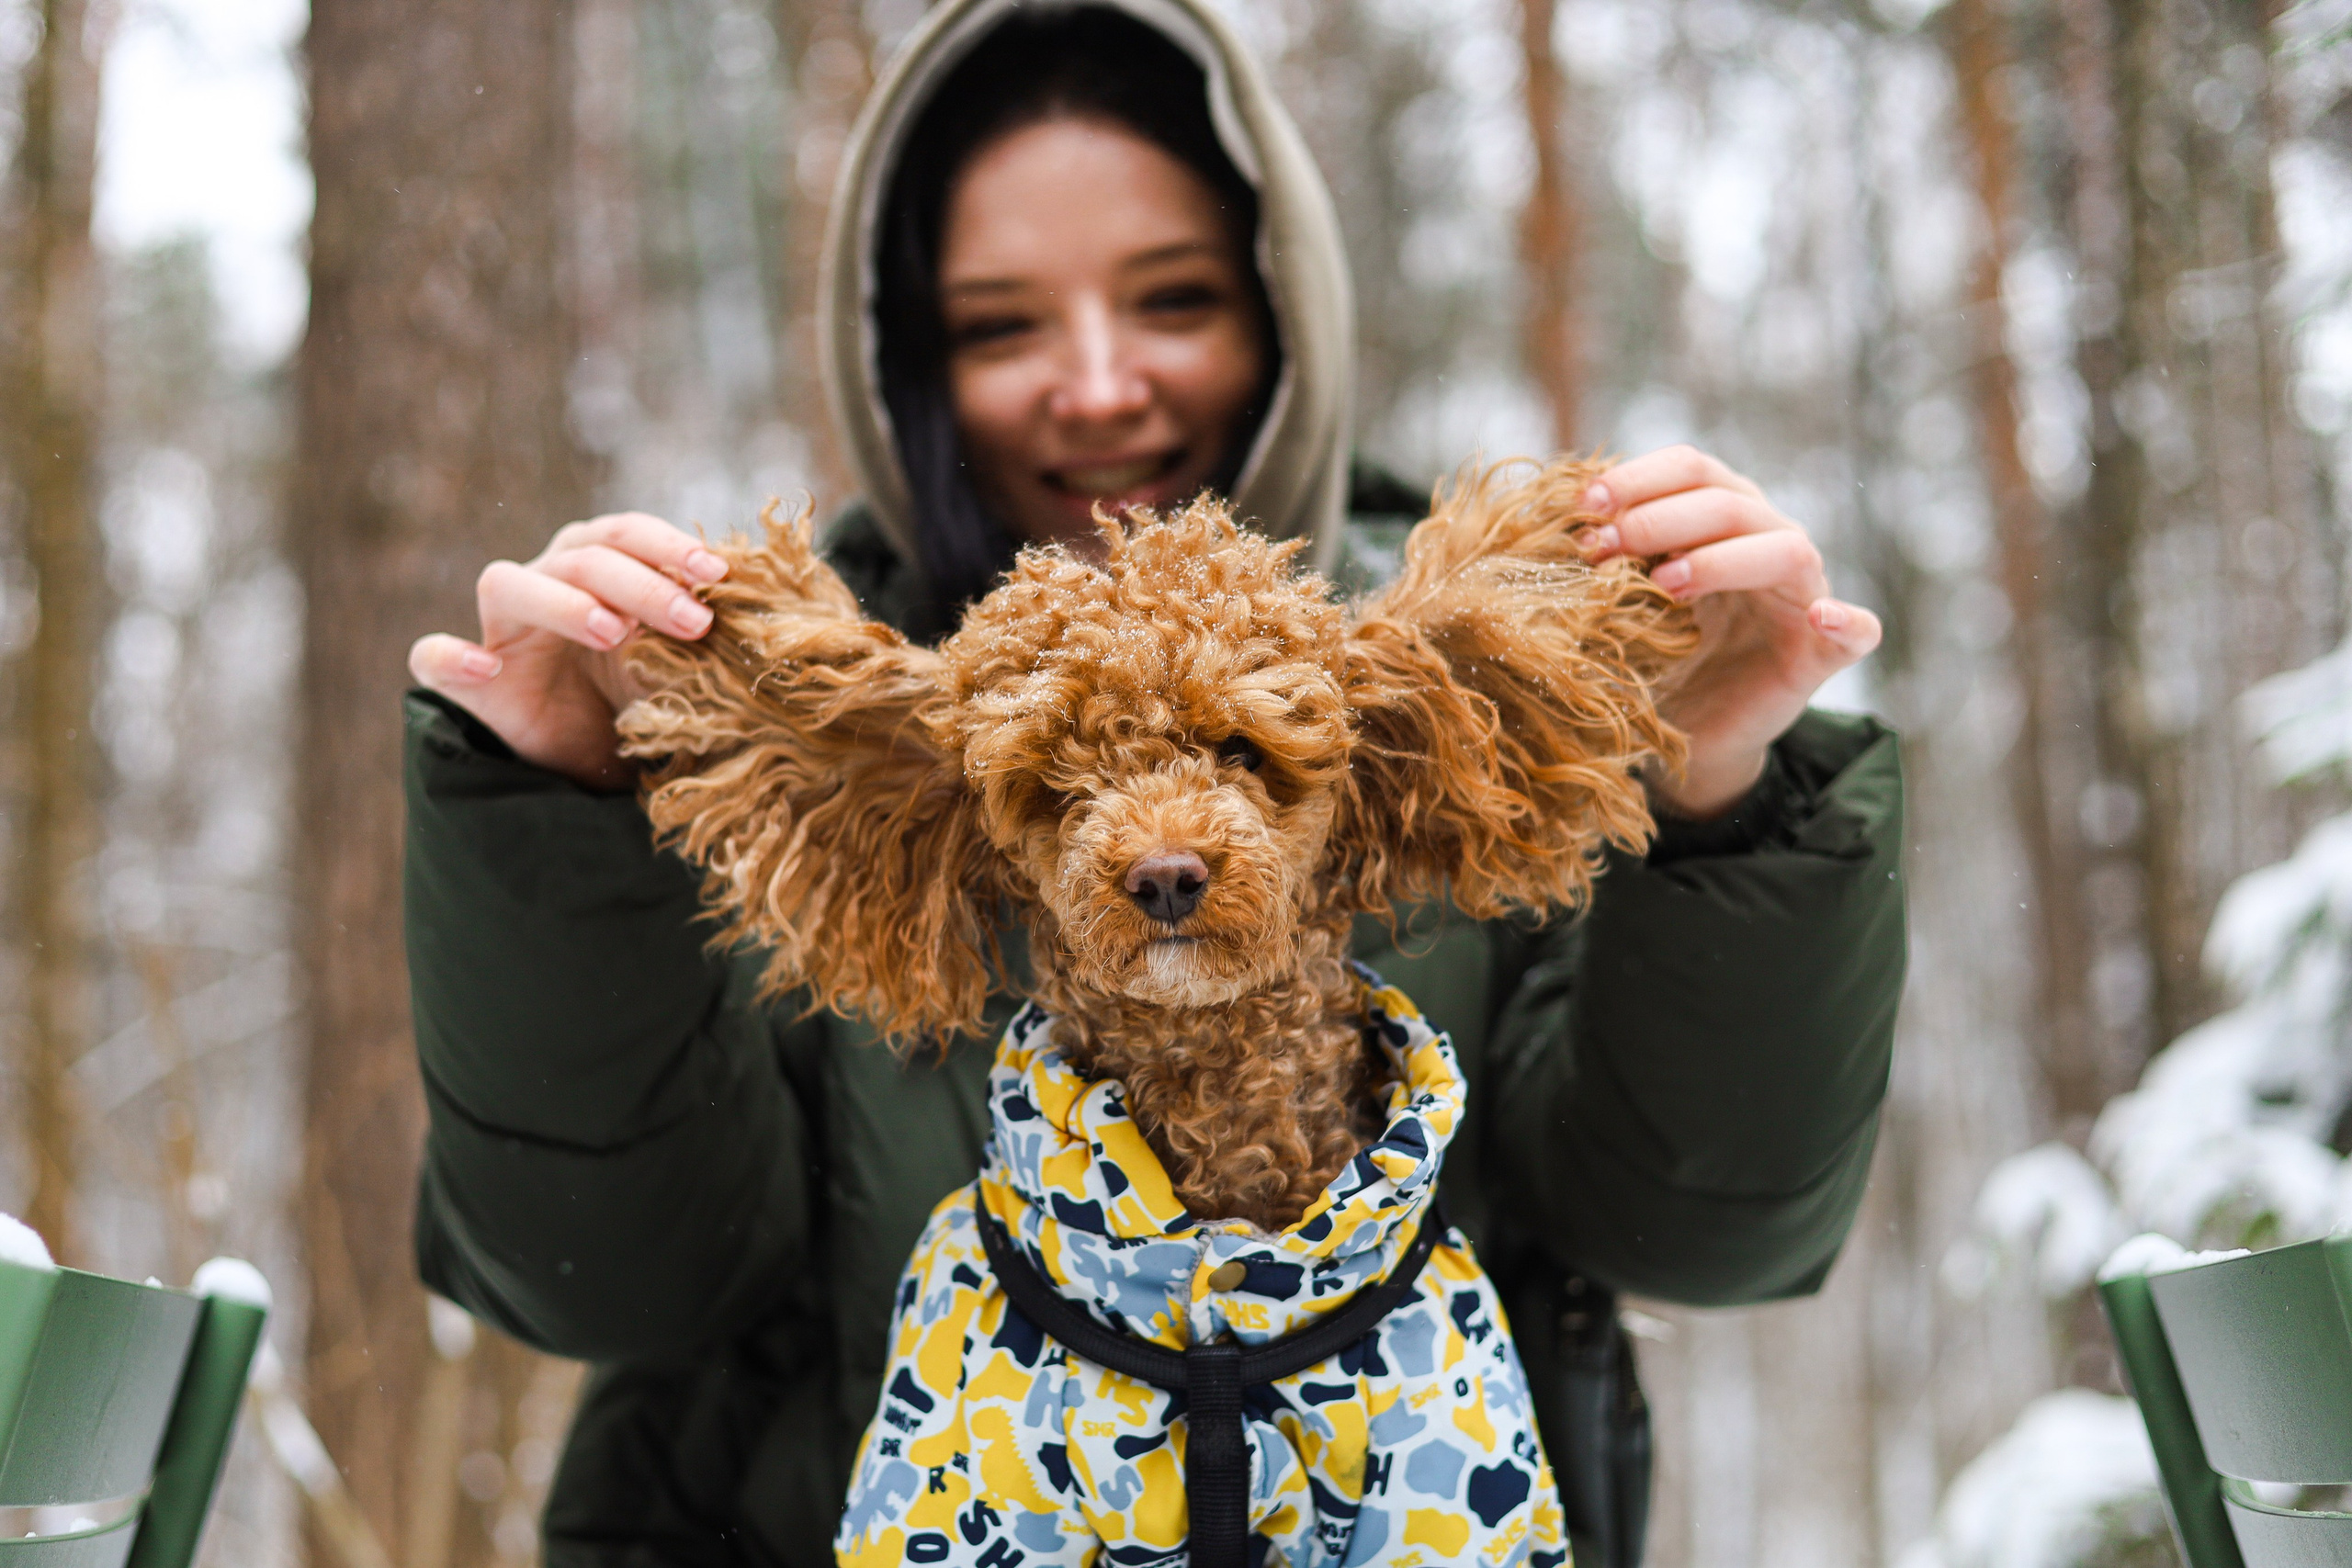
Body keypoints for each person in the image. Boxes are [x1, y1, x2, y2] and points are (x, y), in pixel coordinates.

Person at [401, 3, 1905, 1563]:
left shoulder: (1463, 717)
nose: (1099, 384)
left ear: (1284, 313)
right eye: (1000, 324)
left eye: (1173, 297)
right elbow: (594, 1276)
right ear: (910, 362)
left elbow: (1711, 1230)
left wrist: (1720, 781)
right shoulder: (767, 733)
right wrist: (564, 812)